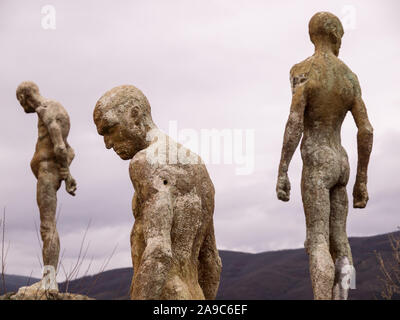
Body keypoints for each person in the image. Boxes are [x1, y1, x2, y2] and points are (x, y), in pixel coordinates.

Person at [276, 12, 373, 299]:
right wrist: (361, 179)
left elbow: (295, 121)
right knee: (341, 241)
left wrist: (282, 169)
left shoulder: (302, 70)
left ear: (312, 35)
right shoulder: (349, 78)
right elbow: (366, 129)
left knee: (318, 241)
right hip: (341, 162)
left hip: (318, 160)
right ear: (333, 35)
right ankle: (344, 295)